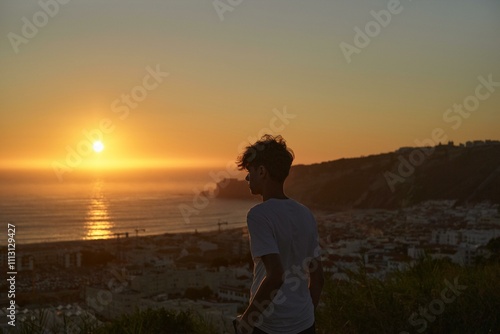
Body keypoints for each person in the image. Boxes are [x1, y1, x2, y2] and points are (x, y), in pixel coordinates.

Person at [234, 135, 324, 334]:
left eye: (249, 171)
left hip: (269, 326)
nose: (247, 178)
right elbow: (317, 276)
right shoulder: (305, 213)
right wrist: (306, 313)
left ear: (262, 171)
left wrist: (246, 322)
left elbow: (276, 275)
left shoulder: (259, 215)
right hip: (305, 323)